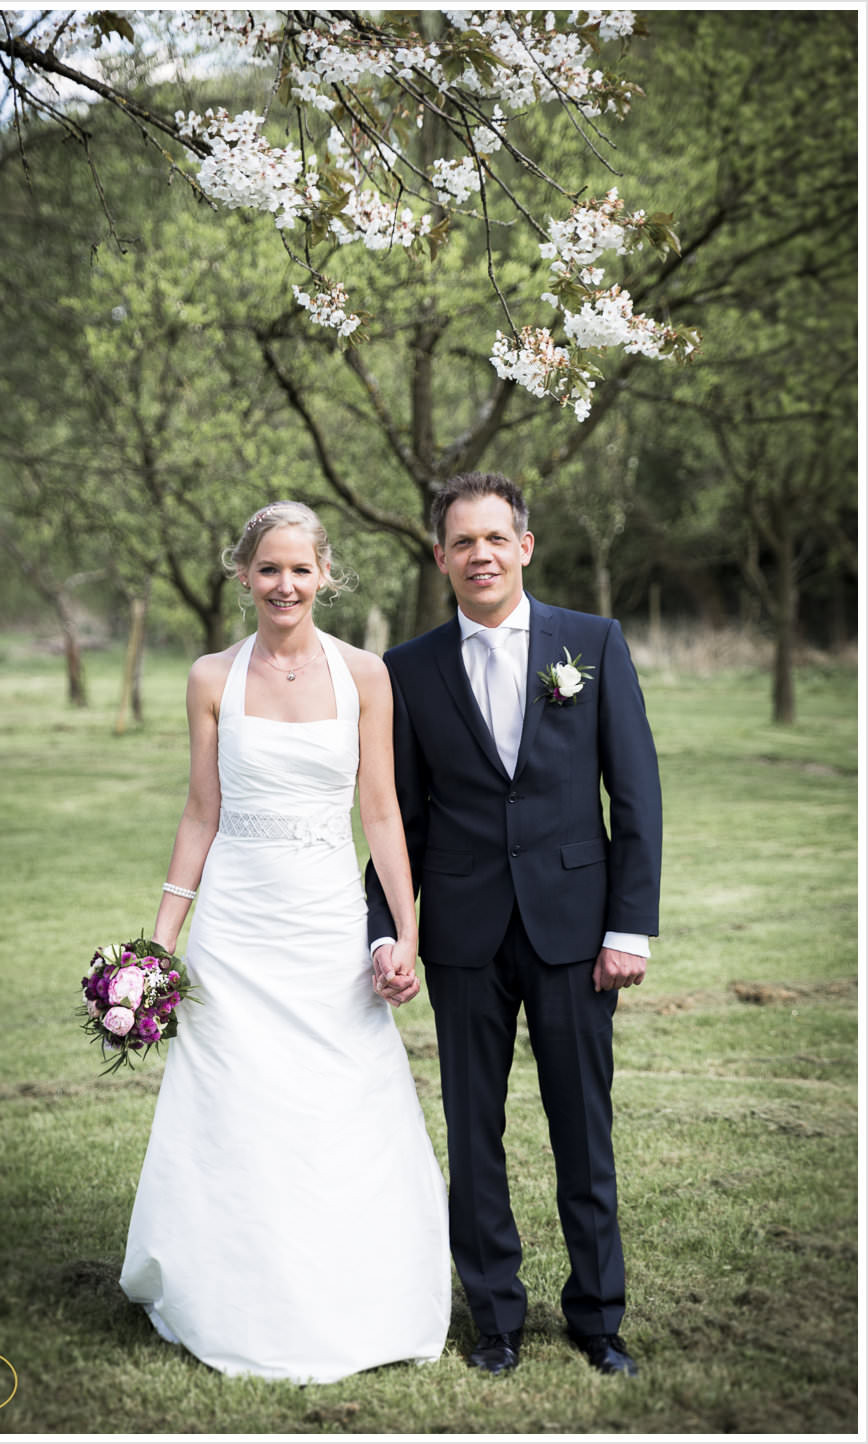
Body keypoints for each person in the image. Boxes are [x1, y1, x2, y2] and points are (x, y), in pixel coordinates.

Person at [120, 501, 450, 1384]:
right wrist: (157, 949)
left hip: (325, 925)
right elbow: (200, 811)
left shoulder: (366, 677)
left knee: (336, 1099)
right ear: (242, 574)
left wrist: (405, 933)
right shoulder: (209, 678)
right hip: (236, 925)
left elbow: (380, 812)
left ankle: (354, 1292)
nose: (285, 585)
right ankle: (227, 1290)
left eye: (301, 569)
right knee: (236, 1103)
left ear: (325, 576)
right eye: (268, 568)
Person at [365, 472, 661, 1378]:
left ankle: (598, 1317)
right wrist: (389, 930)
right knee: (474, 1132)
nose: (480, 555)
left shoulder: (592, 643)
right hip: (462, 934)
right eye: (462, 542)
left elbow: (636, 793)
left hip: (575, 931)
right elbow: (395, 820)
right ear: (442, 556)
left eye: (496, 539)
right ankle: (494, 1317)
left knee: (583, 1126)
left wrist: (630, 928)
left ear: (524, 547)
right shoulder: (406, 670)